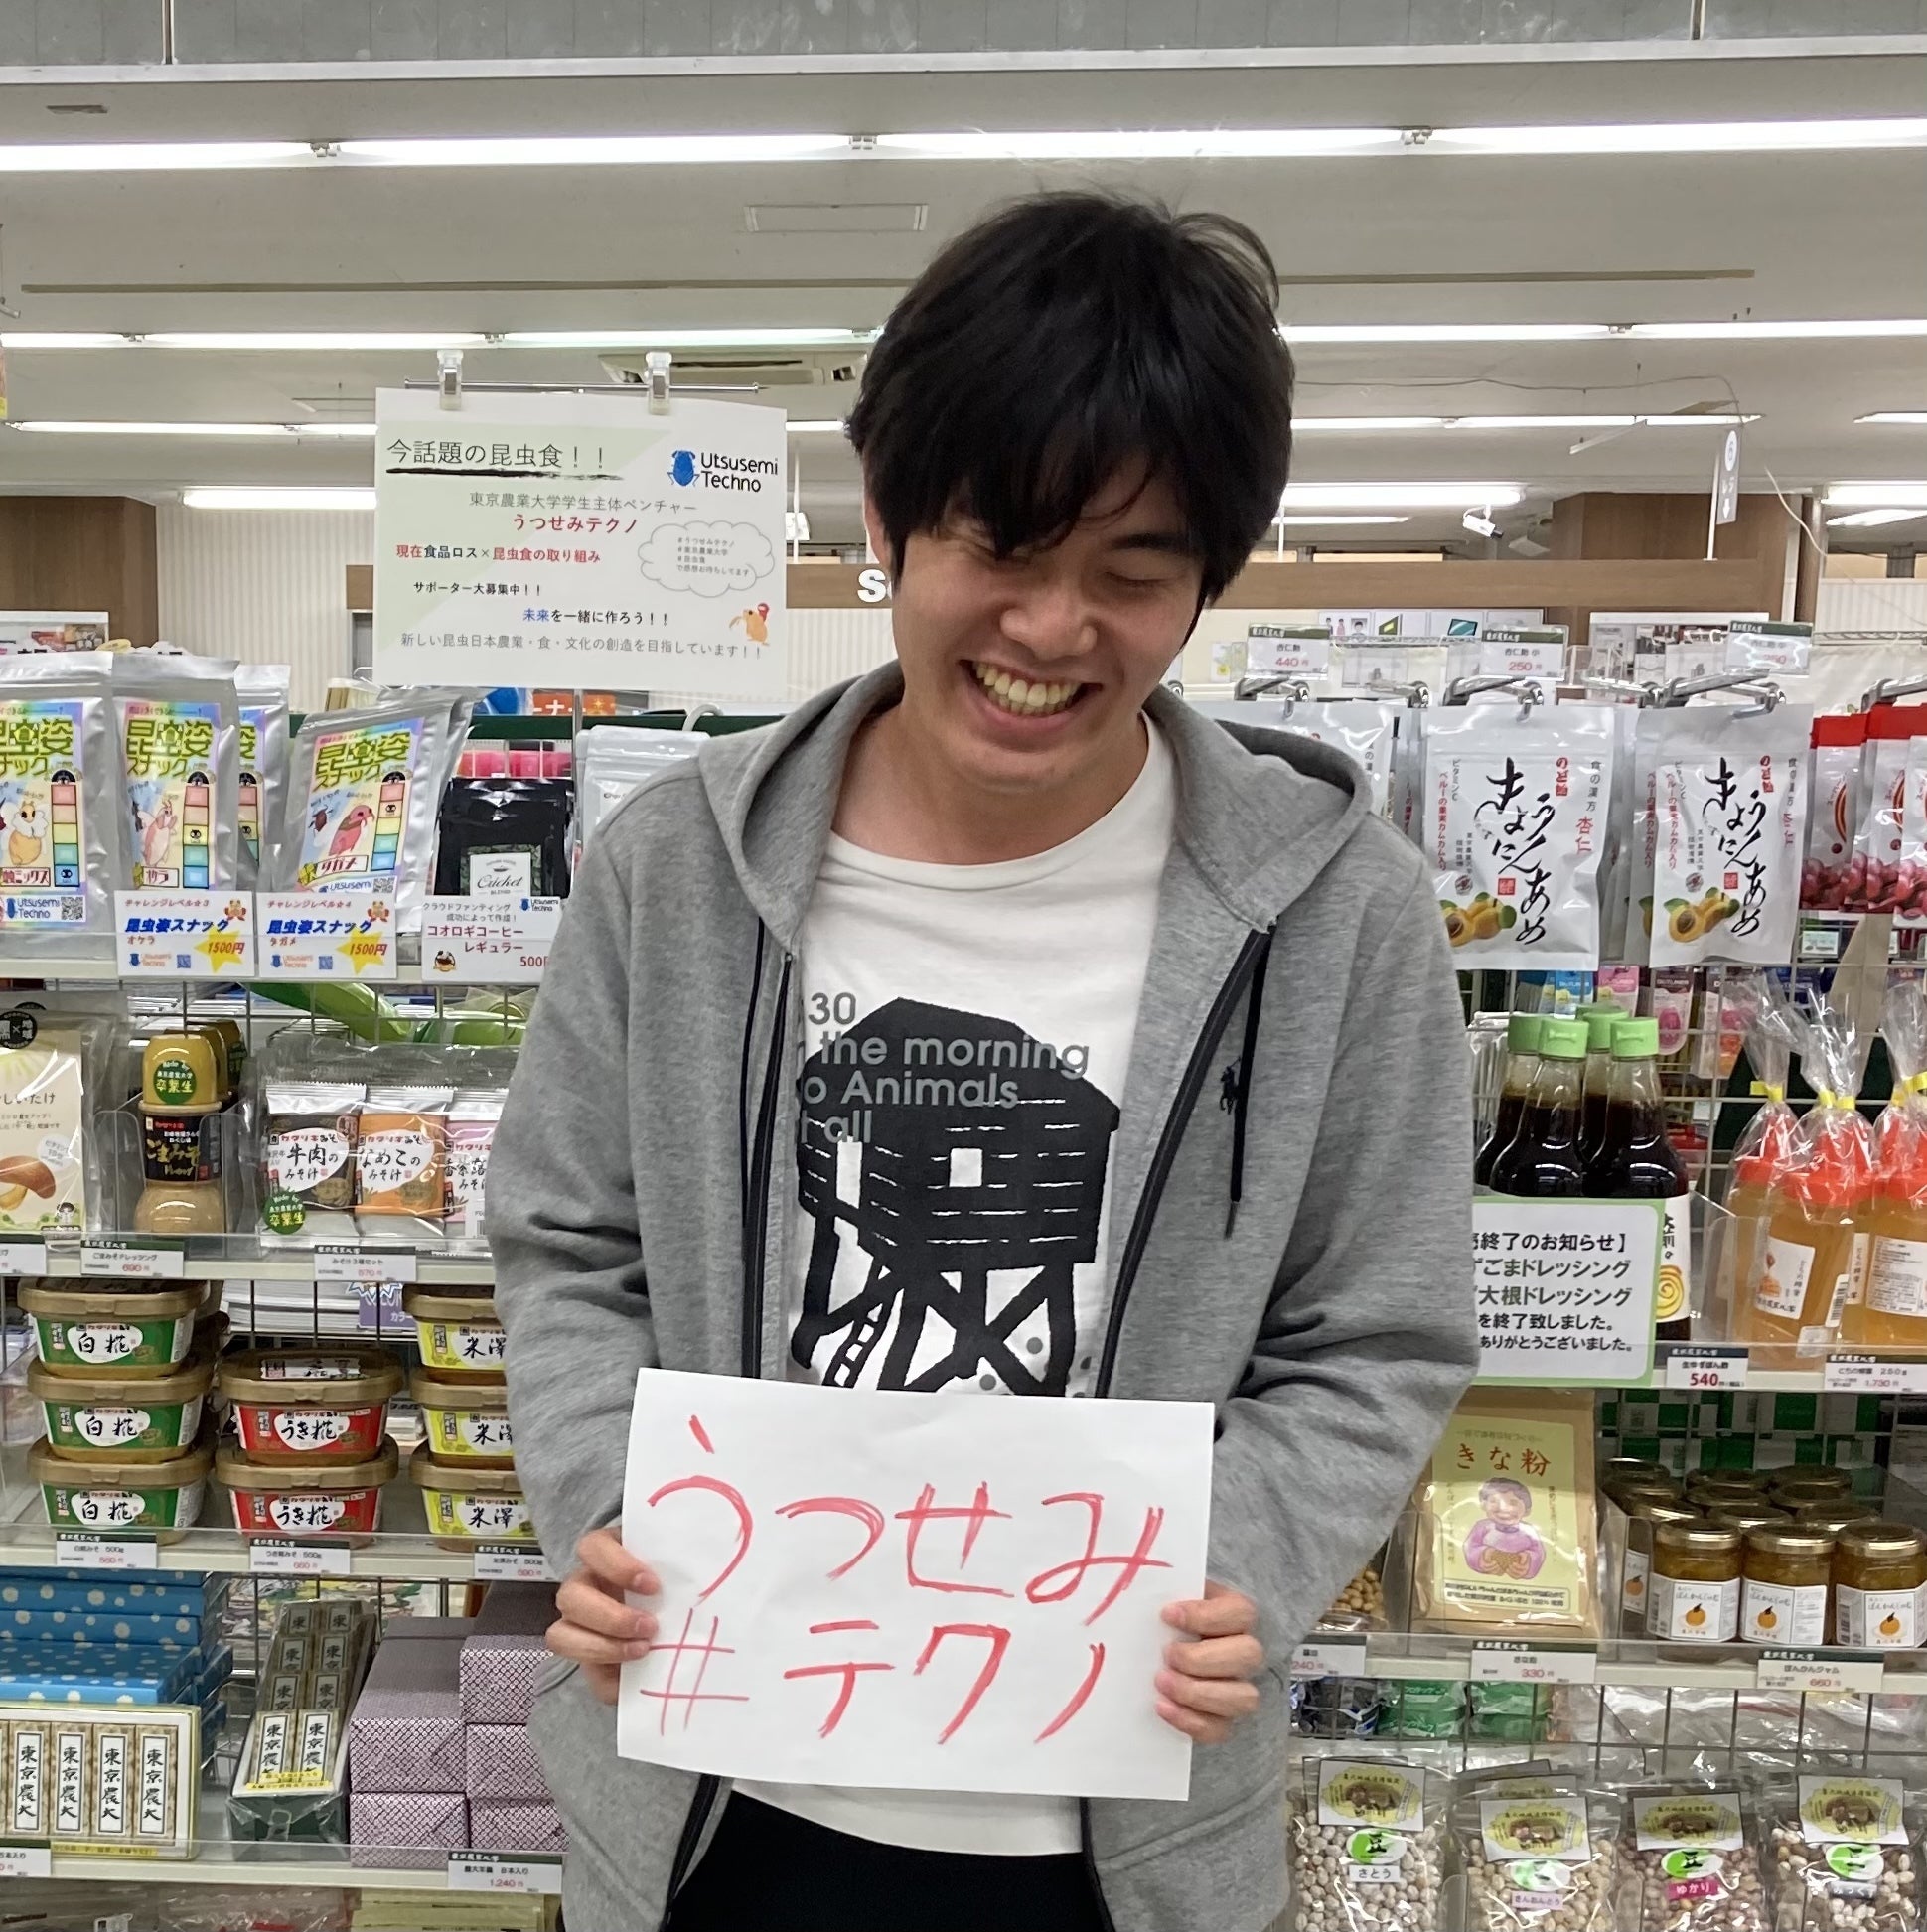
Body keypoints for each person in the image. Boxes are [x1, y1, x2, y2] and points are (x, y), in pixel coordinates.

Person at [489, 190, 1478, 1932]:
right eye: (1000, 548)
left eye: (1134, 574)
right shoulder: (678, 869)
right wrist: (617, 1507)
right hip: (720, 1803)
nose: (1052, 629)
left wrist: (1236, 1559)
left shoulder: (1339, 911)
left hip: (1123, 1833)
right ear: (885, 518)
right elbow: (570, 1239)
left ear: (1208, 580)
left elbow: (1376, 1332)